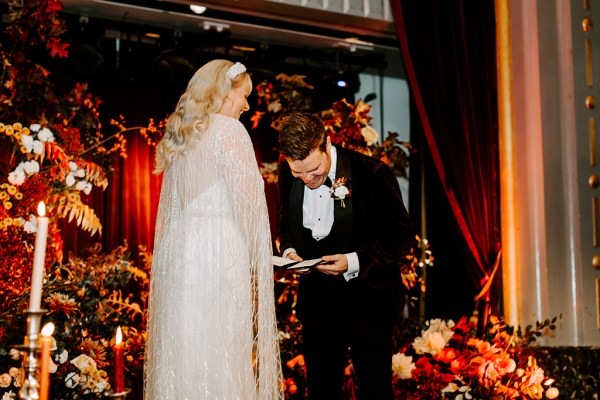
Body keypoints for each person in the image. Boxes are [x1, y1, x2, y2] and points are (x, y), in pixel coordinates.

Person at [145, 60, 284, 400]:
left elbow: (169, 212)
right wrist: (265, 258)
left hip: (180, 252)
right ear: (224, 91)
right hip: (218, 252)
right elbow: (249, 204)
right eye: (245, 95)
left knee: (184, 344)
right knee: (222, 343)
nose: (247, 105)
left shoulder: (184, 134)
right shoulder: (229, 131)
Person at [277, 112, 416, 400]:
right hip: (317, 306)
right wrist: (289, 252)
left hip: (369, 303)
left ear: (327, 144)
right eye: (297, 173)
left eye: (313, 171)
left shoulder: (372, 173)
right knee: (321, 391)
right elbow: (285, 224)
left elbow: (401, 236)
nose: (306, 179)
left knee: (374, 391)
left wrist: (352, 261)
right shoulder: (286, 174)